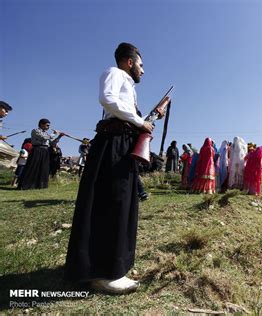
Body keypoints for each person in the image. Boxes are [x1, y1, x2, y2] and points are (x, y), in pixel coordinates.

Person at [65, 43, 157, 294]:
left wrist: (143, 124)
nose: (143, 71)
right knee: (112, 202)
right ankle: (103, 273)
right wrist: (139, 121)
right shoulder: (115, 74)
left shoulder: (125, 81)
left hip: (122, 143)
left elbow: (123, 111)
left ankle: (110, 267)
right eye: (141, 64)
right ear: (129, 62)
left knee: (122, 201)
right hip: (113, 145)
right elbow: (107, 99)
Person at [18, 119, 64, 190]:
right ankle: (26, 185)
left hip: (45, 151)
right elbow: (43, 138)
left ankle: (40, 185)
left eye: (49, 125)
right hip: (37, 150)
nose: (48, 127)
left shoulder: (47, 133)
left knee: (43, 168)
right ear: (41, 124)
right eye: (47, 125)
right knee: (33, 167)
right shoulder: (35, 130)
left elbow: (52, 143)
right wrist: (54, 134)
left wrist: (59, 136)